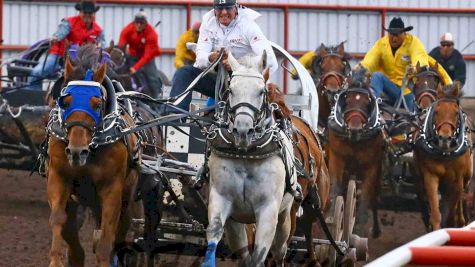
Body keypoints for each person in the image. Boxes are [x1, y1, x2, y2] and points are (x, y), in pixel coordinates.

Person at [168, 0, 278, 111]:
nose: (224, 12)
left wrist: (237, 64)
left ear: (236, 8)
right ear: (214, 10)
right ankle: (174, 118)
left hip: (246, 83)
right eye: (220, 8)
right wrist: (211, 57)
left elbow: (271, 61)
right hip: (220, 83)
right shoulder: (208, 24)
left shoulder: (248, 25)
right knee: (184, 73)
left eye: (228, 8)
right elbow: (200, 59)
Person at [357, 17, 449, 112]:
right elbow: (370, 60)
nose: (394, 38)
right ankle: (372, 103)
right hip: (389, 87)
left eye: (397, 35)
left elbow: (420, 59)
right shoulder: (381, 44)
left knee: (416, 115)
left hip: (408, 91)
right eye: (391, 34)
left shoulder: (413, 43)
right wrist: (359, 70)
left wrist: (414, 69)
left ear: (404, 33)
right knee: (377, 76)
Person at [28, 0, 105, 90]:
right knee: (37, 73)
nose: (87, 15)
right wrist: (56, 37)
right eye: (85, 12)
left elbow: (102, 44)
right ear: (80, 12)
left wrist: (100, 47)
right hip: (59, 55)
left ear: (93, 14)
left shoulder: (98, 30)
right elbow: (61, 32)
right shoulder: (69, 22)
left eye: (90, 13)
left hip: (83, 61)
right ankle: (34, 96)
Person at [118, 9, 162, 98]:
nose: (138, 25)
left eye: (141, 23)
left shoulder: (152, 34)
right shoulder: (127, 30)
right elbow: (121, 45)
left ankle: (156, 101)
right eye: (137, 22)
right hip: (132, 55)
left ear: (145, 23)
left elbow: (146, 56)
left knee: (152, 78)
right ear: (134, 22)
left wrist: (135, 67)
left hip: (147, 58)